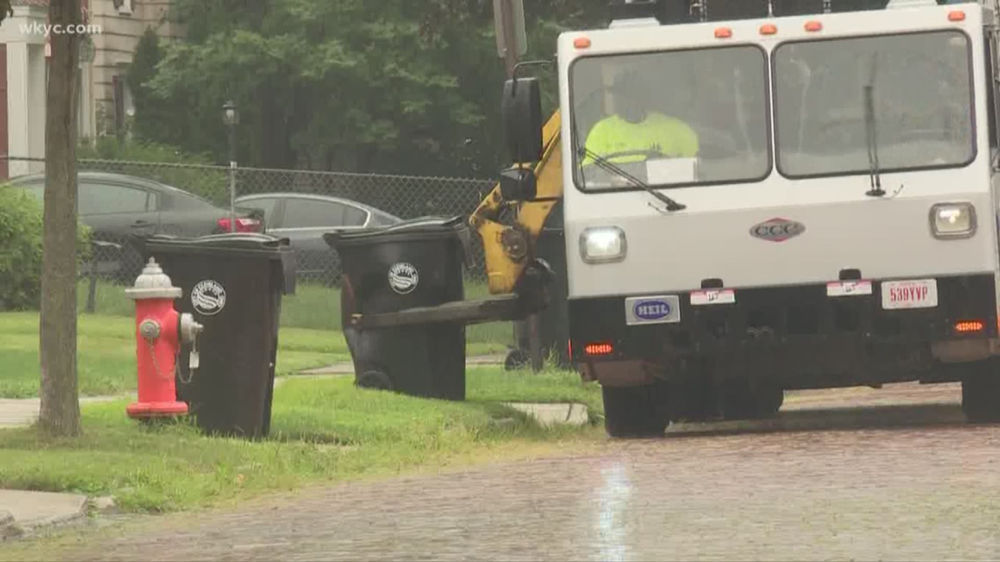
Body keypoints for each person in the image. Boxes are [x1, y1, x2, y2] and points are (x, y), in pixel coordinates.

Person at [583, 70, 699, 166]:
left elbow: (698, 166)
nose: (621, 101)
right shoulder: (601, 131)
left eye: (628, 96)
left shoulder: (675, 129)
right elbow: (588, 173)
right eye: (617, 95)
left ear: (641, 98)